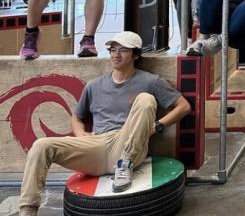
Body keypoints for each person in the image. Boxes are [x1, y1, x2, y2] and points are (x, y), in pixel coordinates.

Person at [19, 31, 190, 215]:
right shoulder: (94, 85)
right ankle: (27, 210)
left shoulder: (150, 81)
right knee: (41, 145)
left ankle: (125, 164)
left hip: (128, 143)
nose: (116, 54)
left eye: (123, 50)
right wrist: (81, 134)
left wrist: (157, 126)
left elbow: (183, 106)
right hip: (97, 144)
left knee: (146, 99)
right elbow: (77, 117)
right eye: (112, 49)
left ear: (136, 55)